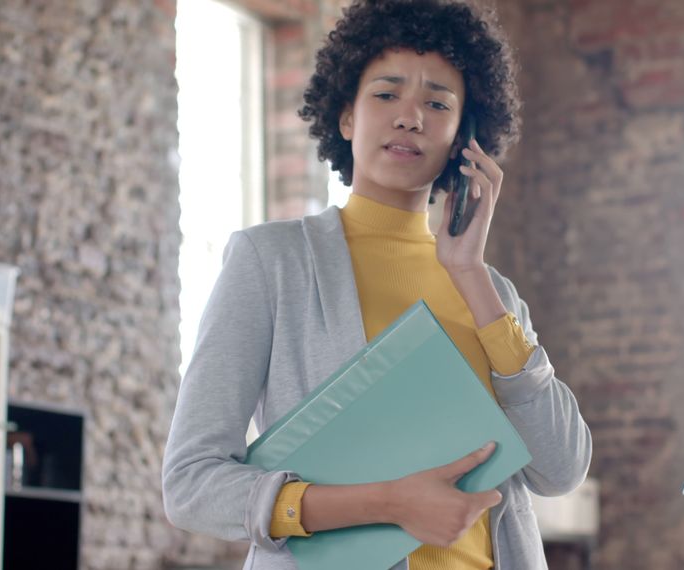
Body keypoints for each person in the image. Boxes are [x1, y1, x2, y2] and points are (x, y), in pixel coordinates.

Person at [162, 0, 592, 568]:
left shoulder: (495, 297)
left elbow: (559, 470)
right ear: (346, 117)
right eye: (386, 94)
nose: (410, 117)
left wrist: (469, 273)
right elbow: (191, 485)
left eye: (437, 103)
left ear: (466, 137)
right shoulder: (271, 262)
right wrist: (387, 504)